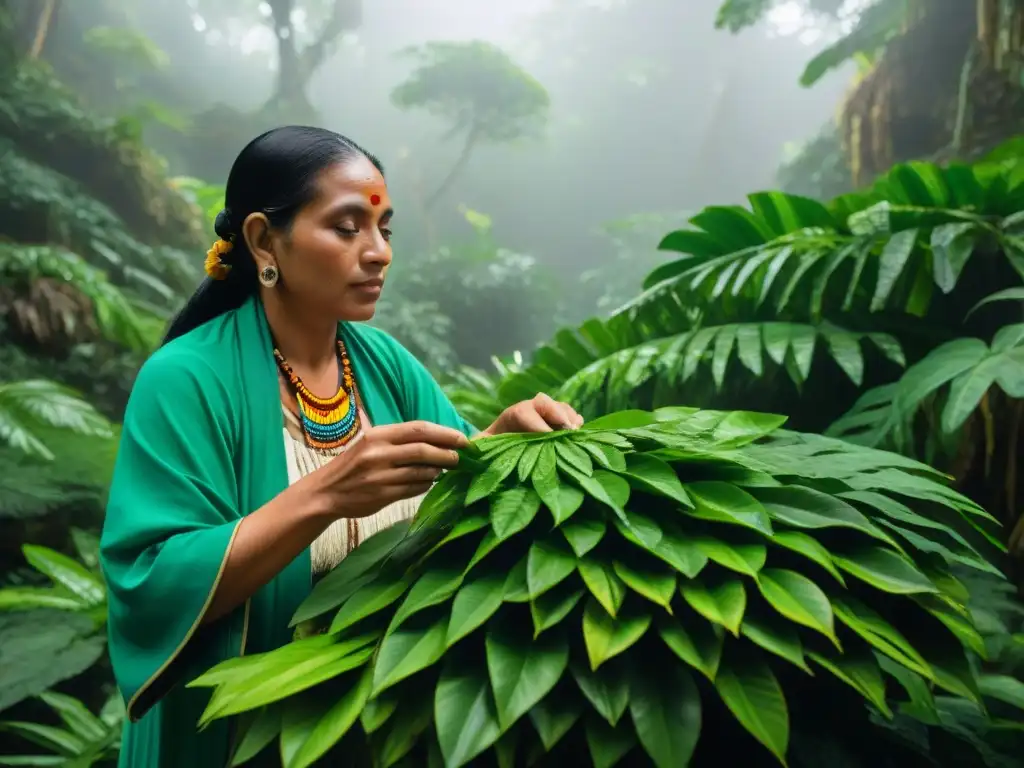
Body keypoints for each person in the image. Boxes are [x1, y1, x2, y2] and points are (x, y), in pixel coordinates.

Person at [99, 125, 582, 767]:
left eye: (385, 229)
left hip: (377, 730)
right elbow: (150, 576)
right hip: (236, 737)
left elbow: (450, 490)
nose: (378, 251)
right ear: (264, 240)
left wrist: (500, 442)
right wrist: (325, 494)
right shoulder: (185, 379)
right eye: (348, 227)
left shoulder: (385, 364)